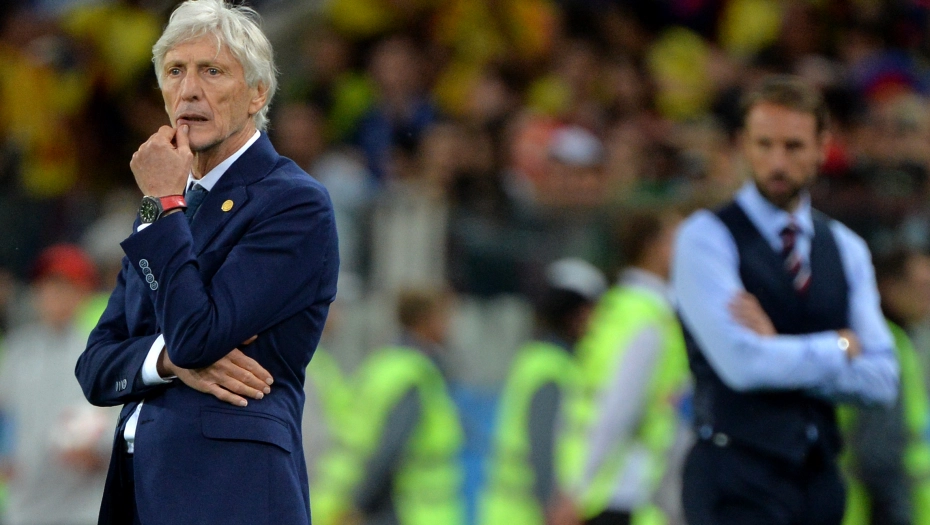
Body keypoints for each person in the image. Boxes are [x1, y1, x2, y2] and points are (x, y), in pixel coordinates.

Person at [73, 0, 339, 523]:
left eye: (212, 71)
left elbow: (196, 335)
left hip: (232, 491)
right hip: (138, 493)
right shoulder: (167, 205)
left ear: (257, 93)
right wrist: (166, 361)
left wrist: (164, 204)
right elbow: (96, 367)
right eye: (175, 71)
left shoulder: (293, 202)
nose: (189, 90)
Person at [672, 75, 899, 525]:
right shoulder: (706, 237)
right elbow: (743, 366)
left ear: (822, 148)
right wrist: (836, 347)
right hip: (734, 476)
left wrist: (776, 347)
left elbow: (882, 380)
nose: (777, 162)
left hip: (819, 478)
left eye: (793, 147)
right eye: (764, 145)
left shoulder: (846, 247)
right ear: (743, 145)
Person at [564, 207, 691, 525]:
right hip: (623, 488)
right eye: (674, 238)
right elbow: (618, 407)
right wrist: (577, 490)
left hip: (608, 483)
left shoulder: (621, 305)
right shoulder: (648, 316)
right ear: (652, 247)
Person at [312, 288, 464, 525]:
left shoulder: (383, 362)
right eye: (444, 317)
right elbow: (390, 451)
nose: (449, 325)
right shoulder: (414, 374)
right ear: (426, 320)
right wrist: (357, 507)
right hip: (404, 510)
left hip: (370, 501)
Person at [480, 258, 607, 525]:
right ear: (576, 314)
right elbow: (544, 447)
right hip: (527, 515)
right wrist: (553, 508)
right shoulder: (552, 368)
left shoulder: (536, 358)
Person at [0, 244, 117, 525]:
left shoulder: (98, 351)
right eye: (47, 286)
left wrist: (100, 452)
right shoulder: (18, 350)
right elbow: (6, 412)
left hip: (85, 503)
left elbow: (120, 416)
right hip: (26, 504)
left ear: (83, 293)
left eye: (65, 287)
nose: (54, 296)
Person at [843, 247, 930, 525]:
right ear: (889, 287)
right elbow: (879, 453)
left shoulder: (900, 340)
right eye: (922, 286)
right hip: (890, 511)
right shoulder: (882, 346)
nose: (928, 296)